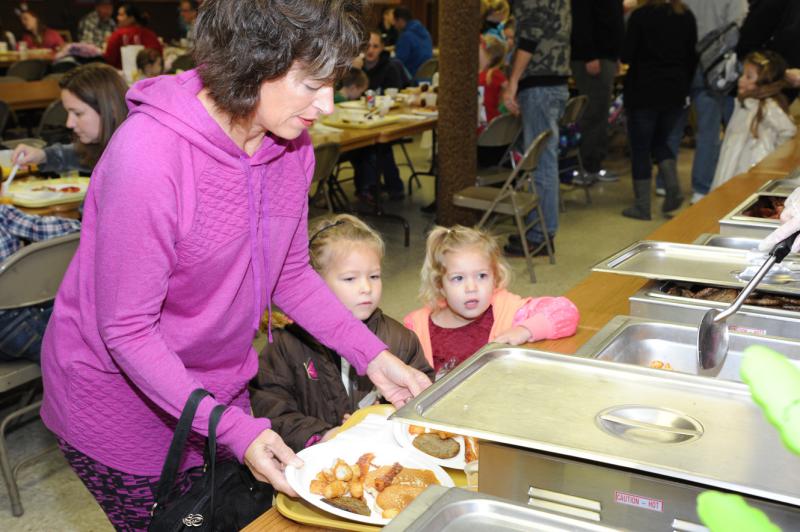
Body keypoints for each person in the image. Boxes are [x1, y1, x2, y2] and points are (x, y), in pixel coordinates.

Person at [39, 1, 430, 528]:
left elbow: (288, 275)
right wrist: (229, 429)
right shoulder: (149, 156)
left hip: (216, 390)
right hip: (117, 405)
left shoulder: (291, 145)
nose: (328, 104)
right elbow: (127, 329)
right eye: (312, 83)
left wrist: (372, 356)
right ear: (252, 61)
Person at [251, 215, 434, 452]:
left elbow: (422, 398)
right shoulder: (287, 344)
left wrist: (383, 418)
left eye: (374, 276)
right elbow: (270, 408)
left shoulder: (400, 339)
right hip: (313, 462)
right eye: (350, 278)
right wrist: (324, 434)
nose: (366, 288)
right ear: (312, 284)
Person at [404, 226, 579, 376]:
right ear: (439, 285)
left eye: (481, 276)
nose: (471, 287)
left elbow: (565, 312)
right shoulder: (417, 328)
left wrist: (523, 330)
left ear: (495, 278)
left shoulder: (508, 311)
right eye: (458, 278)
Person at [503, 0, 571, 257]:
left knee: (541, 163)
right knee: (545, 161)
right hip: (555, 81)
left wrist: (513, 81)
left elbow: (529, 38)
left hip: (540, 84)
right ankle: (540, 231)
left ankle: (540, 236)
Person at [620, 0, 697, 221]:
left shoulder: (640, 15)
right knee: (660, 141)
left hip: (643, 89)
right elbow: (692, 56)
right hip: (674, 89)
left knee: (641, 148)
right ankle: (672, 188)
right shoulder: (686, 15)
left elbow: (627, 54)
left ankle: (642, 206)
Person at [678, 0, 747, 203]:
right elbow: (738, 26)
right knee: (719, 130)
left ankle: (668, 184)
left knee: (682, 127)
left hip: (686, 62)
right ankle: (704, 187)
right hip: (718, 65)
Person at [11, 64, 129, 175]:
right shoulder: (105, 144)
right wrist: (43, 155)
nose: (69, 124)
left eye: (78, 113)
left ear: (111, 109)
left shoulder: (135, 159)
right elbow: (81, 154)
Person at [0, 205, 80, 363]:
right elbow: (40, 228)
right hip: (17, 315)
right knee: (76, 342)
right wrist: (86, 224)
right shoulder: (3, 214)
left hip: (13, 323)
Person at [710, 51, 796, 189]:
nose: (741, 80)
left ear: (765, 81)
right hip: (732, 170)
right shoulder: (744, 104)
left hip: (752, 173)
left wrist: (770, 160)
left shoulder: (767, 107)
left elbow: (787, 130)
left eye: (748, 77)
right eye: (743, 74)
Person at [569, 0, 625, 184]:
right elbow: (581, 20)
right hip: (592, 57)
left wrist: (615, 55)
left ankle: (594, 164)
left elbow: (612, 19)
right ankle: (586, 166)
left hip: (605, 55)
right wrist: (589, 54)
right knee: (593, 111)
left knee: (601, 112)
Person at [349, 32, 408, 203]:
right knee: (360, 146)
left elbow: (395, 97)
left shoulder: (390, 67)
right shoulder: (354, 67)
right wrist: (355, 71)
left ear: (382, 48)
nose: (370, 50)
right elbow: (344, 93)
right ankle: (368, 186)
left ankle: (379, 187)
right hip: (356, 119)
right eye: (367, 46)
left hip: (384, 119)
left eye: (375, 46)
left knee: (380, 146)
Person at [103, 3, 163, 69]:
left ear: (131, 18)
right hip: (150, 74)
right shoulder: (150, 34)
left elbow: (109, 60)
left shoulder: (117, 34)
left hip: (121, 76)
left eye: (121, 15)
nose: (117, 18)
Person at [392, 7, 433, 78]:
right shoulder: (425, 32)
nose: (394, 24)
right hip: (427, 76)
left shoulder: (406, 36)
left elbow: (398, 61)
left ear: (400, 20)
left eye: (395, 21)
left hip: (411, 76)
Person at [478, 34, 508, 127]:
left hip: (486, 126)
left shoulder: (492, 74)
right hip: (484, 124)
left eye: (479, 50)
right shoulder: (483, 74)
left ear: (489, 56)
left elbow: (508, 87)